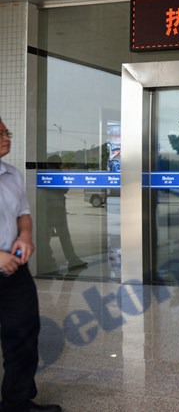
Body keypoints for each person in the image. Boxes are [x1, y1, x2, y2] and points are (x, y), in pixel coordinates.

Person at [0, 118, 63, 412]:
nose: (7, 137)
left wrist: (25, 236)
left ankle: (17, 402)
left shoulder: (11, 174)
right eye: (0, 133)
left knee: (24, 334)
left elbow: (23, 213)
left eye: (7, 132)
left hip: (14, 271)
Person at [37, 155, 87, 272]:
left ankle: (47, 260)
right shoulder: (57, 173)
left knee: (45, 236)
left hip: (44, 207)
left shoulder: (42, 172)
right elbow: (64, 188)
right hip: (56, 207)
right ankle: (72, 259)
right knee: (64, 235)